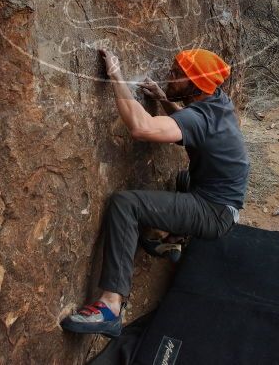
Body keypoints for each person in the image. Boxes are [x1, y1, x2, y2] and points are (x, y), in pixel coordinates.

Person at [60, 48, 250, 338]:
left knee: (126, 204)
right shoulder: (216, 103)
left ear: (196, 85)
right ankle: (173, 239)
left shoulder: (201, 118)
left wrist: (116, 75)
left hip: (213, 212)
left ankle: (110, 306)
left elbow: (141, 128)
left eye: (177, 75)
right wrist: (163, 98)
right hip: (221, 202)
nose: (170, 77)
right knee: (185, 178)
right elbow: (190, 126)